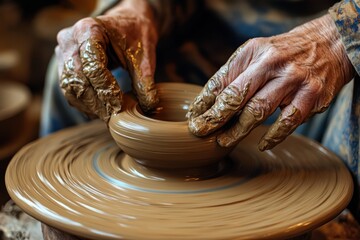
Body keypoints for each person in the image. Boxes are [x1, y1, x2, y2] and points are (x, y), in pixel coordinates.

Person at [40, 0, 360, 237]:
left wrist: (339, 36)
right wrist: (136, 10)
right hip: (209, 21)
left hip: (336, 43)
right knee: (81, 71)